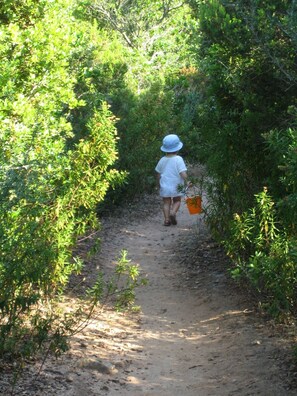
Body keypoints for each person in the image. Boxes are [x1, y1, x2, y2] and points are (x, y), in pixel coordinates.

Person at [155, 134, 188, 226]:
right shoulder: (178, 159)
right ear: (177, 148)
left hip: (165, 185)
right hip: (177, 185)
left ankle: (166, 220)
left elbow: (158, 174)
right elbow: (182, 173)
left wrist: (158, 184)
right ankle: (173, 212)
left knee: (166, 202)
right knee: (177, 200)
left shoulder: (162, 160)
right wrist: (188, 181)